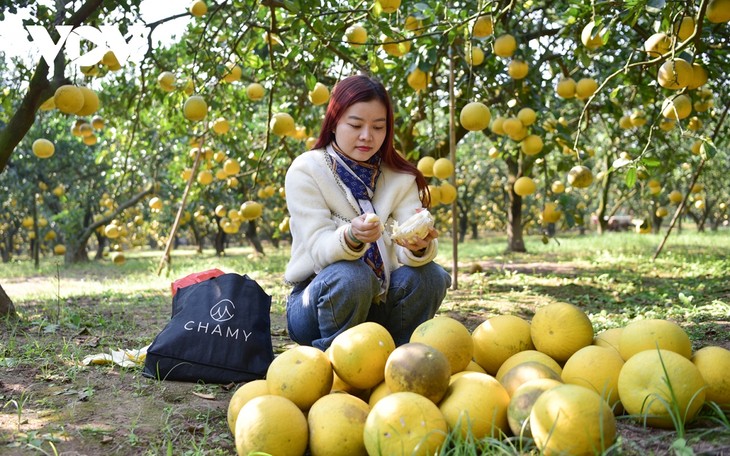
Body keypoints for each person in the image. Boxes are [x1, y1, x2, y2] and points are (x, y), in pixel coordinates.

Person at [283, 74, 452, 350]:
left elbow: (406, 243)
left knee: (431, 275)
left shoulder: (398, 176)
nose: (367, 136)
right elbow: (318, 247)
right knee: (352, 275)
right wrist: (350, 236)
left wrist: (418, 246)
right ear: (334, 122)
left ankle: (400, 356)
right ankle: (335, 359)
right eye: (355, 125)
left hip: (379, 300)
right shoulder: (307, 170)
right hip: (317, 302)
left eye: (378, 127)